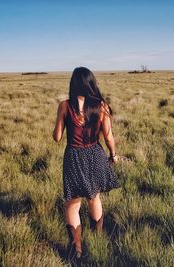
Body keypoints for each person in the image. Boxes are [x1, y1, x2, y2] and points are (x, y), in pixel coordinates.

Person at [52, 66, 120, 261]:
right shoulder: (102, 106)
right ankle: (97, 239)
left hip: (74, 156)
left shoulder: (65, 106)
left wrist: (61, 125)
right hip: (94, 154)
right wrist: (113, 155)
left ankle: (77, 251)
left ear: (73, 83)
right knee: (94, 198)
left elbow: (57, 137)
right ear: (91, 83)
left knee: (72, 205)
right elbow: (108, 136)